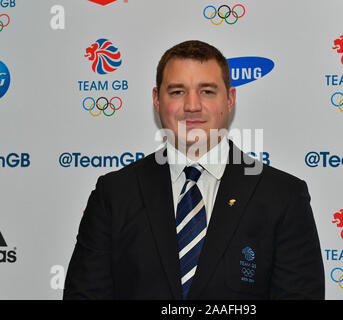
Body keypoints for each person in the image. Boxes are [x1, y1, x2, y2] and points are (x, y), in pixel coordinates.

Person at [63, 40, 324, 300]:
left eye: (207, 91)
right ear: (157, 100)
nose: (192, 106)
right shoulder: (115, 194)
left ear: (230, 99)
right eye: (177, 91)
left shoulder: (283, 196)